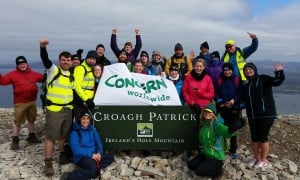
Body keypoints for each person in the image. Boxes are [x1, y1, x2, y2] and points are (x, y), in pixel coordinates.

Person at [39, 39, 74, 176]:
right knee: (51, 137)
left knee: (63, 136)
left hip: (68, 110)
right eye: (63, 60)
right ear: (60, 61)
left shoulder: (71, 75)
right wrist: (42, 47)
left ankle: (62, 156)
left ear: (71, 62)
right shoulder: (53, 70)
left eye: (68, 60)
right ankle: (48, 162)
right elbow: (45, 59)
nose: (66, 62)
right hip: (54, 110)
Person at [241, 62, 285, 168]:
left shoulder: (263, 79)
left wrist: (279, 73)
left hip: (266, 114)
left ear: (255, 70)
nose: (248, 71)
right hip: (252, 116)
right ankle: (256, 158)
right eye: (246, 70)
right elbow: (244, 102)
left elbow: (277, 81)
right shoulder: (247, 86)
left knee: (262, 137)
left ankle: (263, 159)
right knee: (254, 138)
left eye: (250, 69)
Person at [0, 56, 44, 150]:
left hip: (32, 101)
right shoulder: (12, 74)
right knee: (17, 121)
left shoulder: (34, 74)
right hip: (20, 103)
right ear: (17, 65)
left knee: (31, 119)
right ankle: (15, 140)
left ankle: (31, 136)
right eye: (20, 64)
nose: (22, 65)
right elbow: (3, 81)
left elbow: (44, 78)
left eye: (23, 63)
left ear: (27, 64)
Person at [187, 103, 235, 177]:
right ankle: (206, 164)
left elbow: (226, 132)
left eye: (209, 112)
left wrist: (233, 129)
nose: (207, 113)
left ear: (213, 114)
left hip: (216, 157)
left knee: (199, 171)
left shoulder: (216, 125)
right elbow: (200, 117)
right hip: (206, 154)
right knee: (191, 165)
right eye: (205, 111)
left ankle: (218, 172)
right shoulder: (203, 124)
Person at [62, 111, 103, 179]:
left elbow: (99, 143)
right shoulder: (75, 133)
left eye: (87, 119)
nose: (86, 121)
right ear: (80, 120)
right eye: (83, 118)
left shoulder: (92, 129)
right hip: (82, 157)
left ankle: (90, 166)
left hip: (94, 155)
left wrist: (99, 153)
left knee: (110, 157)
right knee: (94, 172)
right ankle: (69, 176)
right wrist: (91, 155)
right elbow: (76, 150)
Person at [215, 62, 243, 159]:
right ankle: (222, 148)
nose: (227, 72)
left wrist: (233, 100)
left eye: (229, 70)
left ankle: (233, 149)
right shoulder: (219, 80)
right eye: (225, 70)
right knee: (222, 128)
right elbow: (216, 93)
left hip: (233, 108)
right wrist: (221, 102)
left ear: (232, 70)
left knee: (232, 129)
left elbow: (240, 93)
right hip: (222, 108)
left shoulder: (237, 80)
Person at [73, 50, 97, 120]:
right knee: (80, 123)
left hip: (89, 102)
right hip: (81, 102)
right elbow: (76, 86)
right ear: (86, 58)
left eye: (94, 59)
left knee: (87, 123)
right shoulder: (81, 68)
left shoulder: (91, 69)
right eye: (90, 59)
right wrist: (86, 100)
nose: (92, 61)